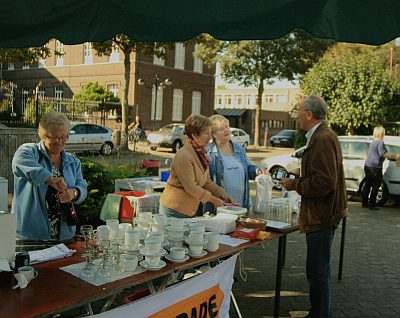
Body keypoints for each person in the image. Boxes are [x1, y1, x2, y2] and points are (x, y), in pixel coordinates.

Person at [279, 96, 347, 318]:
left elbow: (326, 181)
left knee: (317, 272)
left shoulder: (322, 138)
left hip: (322, 215)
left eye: (299, 111)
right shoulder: (323, 135)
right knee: (319, 270)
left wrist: (295, 184)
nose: (297, 115)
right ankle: (319, 312)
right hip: (324, 213)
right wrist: (303, 174)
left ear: (309, 114)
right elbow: (323, 173)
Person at [12, 111, 88, 242]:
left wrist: (73, 193)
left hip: (65, 236)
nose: (59, 142)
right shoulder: (29, 151)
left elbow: (82, 185)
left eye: (63, 137)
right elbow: (19, 162)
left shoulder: (72, 161)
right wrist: (49, 179)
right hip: (32, 235)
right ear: (43, 136)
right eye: (54, 137)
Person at [159, 114, 235, 218]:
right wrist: (214, 200)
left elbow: (206, 182)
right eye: (206, 133)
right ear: (194, 135)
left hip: (188, 210)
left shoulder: (201, 153)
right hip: (174, 209)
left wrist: (223, 195)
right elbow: (191, 187)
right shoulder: (184, 155)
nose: (210, 137)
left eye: (210, 133)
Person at [207, 114, 268, 211]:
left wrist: (257, 170)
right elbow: (205, 182)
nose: (226, 130)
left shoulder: (239, 149)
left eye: (227, 126)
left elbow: (248, 169)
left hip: (242, 206)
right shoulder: (208, 153)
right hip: (219, 208)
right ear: (213, 134)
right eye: (221, 129)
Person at [362, 125, 400, 210]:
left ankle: (364, 203)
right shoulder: (380, 142)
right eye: (384, 133)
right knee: (376, 185)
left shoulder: (373, 142)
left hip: (368, 166)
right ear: (381, 134)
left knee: (368, 185)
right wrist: (396, 156)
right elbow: (384, 154)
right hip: (375, 167)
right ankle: (372, 205)